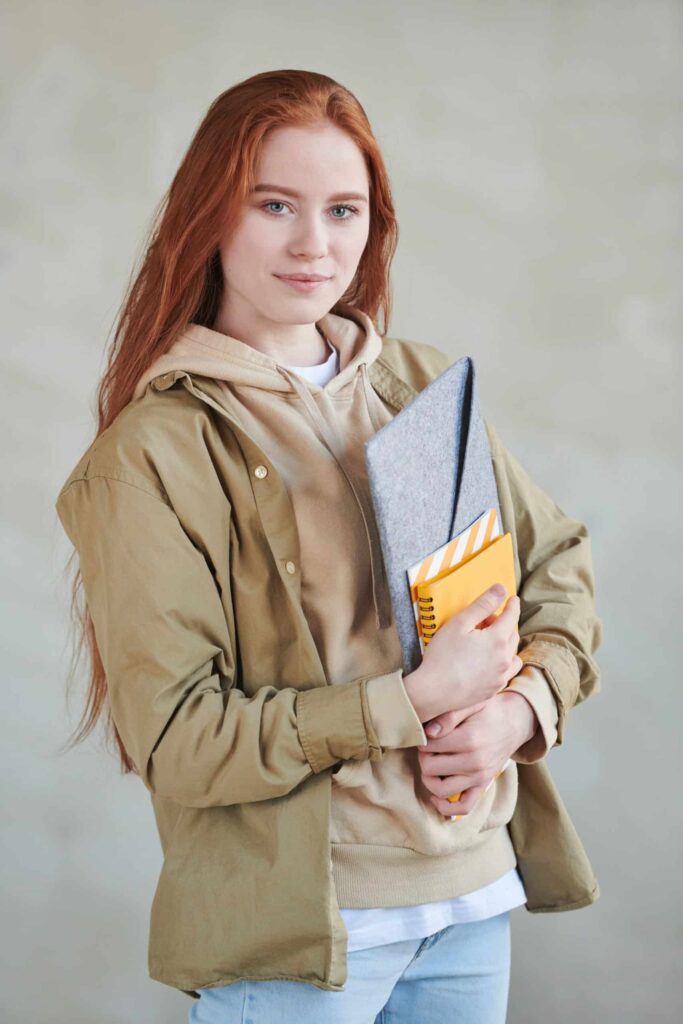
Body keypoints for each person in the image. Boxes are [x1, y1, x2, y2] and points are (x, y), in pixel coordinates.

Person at [55, 70, 603, 1024]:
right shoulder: (152, 456)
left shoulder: (416, 385)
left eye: (342, 209)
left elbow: (556, 567)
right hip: (305, 936)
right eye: (274, 205)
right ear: (209, 216)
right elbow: (181, 741)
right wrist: (413, 702)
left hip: (473, 903)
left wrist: (520, 709)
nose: (314, 243)